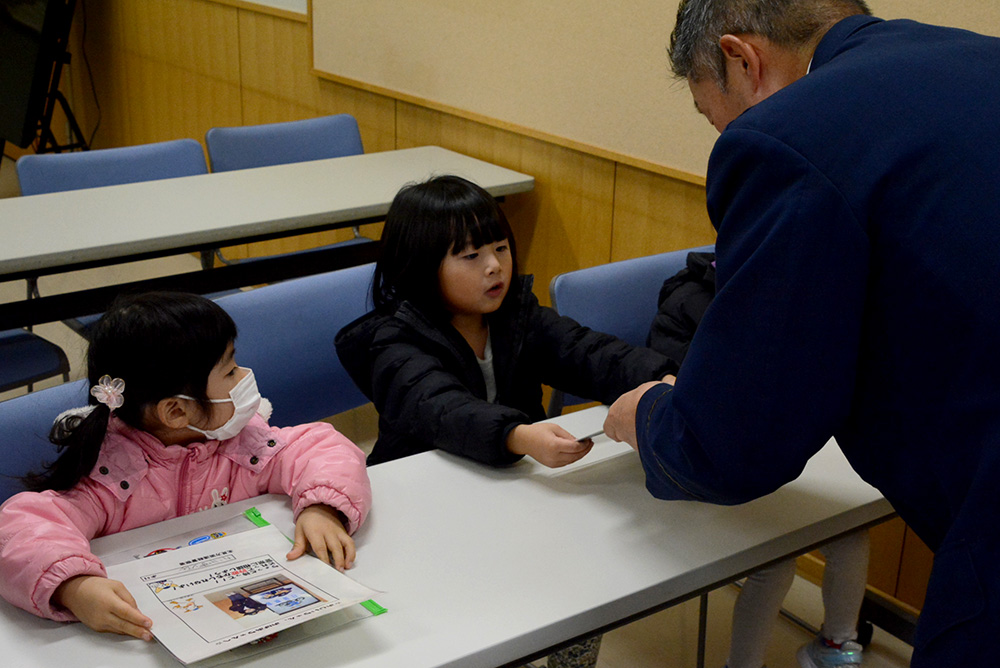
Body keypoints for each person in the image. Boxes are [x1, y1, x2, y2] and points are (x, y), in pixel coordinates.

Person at [603, 1, 1000, 666]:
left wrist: (648, 414)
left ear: (743, 60)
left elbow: (734, 442)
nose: (722, 134)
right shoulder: (975, 58)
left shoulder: (791, 136)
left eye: (712, 116)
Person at [335, 174, 677, 668]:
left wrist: (665, 377)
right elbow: (441, 408)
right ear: (420, 267)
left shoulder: (517, 315)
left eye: (500, 247)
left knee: (580, 586)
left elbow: (589, 353)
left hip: (508, 494)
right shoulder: (394, 340)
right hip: (424, 508)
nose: (495, 266)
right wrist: (517, 434)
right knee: (473, 621)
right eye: (470, 256)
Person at [0, 292, 372, 642]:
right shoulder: (112, 474)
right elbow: (23, 526)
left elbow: (321, 448)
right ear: (177, 411)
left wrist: (322, 508)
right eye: (229, 372)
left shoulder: (243, 444)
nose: (244, 377)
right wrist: (74, 586)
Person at [650, 251, 869, 668]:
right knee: (777, 559)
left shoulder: (779, 301)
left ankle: (836, 645)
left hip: (764, 451)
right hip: (701, 458)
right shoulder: (694, 304)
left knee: (851, 533)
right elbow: (692, 404)